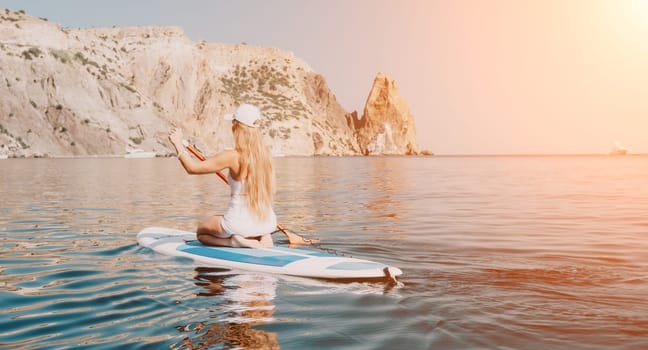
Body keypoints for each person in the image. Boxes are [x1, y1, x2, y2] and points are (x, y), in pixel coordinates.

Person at [168, 104, 278, 248]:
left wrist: (178, 144)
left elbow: (192, 168)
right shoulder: (266, 155)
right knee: (239, 222)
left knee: (201, 232)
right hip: (268, 223)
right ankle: (264, 238)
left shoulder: (232, 156)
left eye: (233, 124)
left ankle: (233, 242)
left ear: (237, 127)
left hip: (238, 225)